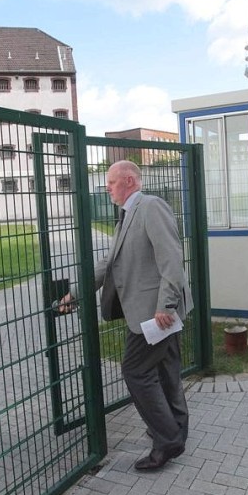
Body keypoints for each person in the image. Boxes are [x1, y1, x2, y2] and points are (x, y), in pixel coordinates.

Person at [60, 160, 192, 471]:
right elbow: (108, 263)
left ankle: (168, 440)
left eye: (111, 184)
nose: (107, 191)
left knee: (136, 371)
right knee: (166, 372)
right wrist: (76, 294)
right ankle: (176, 430)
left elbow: (172, 258)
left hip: (155, 314)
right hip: (152, 312)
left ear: (129, 180)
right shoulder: (127, 216)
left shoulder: (150, 207)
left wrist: (166, 305)